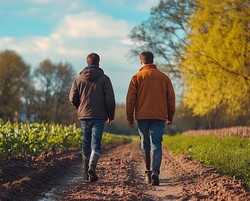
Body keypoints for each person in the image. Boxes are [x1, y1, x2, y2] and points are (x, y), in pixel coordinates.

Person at [126, 51, 175, 186]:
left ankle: (147, 173)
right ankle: (155, 172)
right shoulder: (164, 78)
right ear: (153, 61)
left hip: (142, 116)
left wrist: (130, 117)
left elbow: (130, 100)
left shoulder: (136, 77)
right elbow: (171, 99)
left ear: (141, 61)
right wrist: (170, 115)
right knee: (156, 144)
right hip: (159, 117)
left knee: (144, 145)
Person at [69, 53, 116, 182]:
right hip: (100, 116)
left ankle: (85, 174)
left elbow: (72, 98)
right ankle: (92, 167)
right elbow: (110, 99)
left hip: (84, 116)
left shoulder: (78, 79)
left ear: (87, 62)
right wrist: (110, 115)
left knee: (86, 143)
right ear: (98, 63)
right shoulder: (105, 79)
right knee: (96, 143)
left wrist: (80, 107)